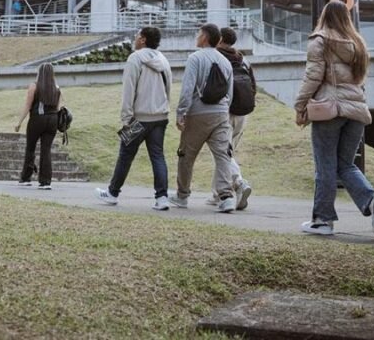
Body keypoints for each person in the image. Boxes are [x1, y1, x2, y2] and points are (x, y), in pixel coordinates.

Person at [293, 1, 374, 236]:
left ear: (324, 17)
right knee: (345, 164)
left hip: (330, 109)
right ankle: (373, 200)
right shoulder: (358, 44)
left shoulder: (320, 40)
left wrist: (300, 105)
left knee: (325, 165)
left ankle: (323, 220)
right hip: (356, 111)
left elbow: (313, 76)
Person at [94, 27, 173, 210]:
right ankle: (162, 198)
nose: (135, 39)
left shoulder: (135, 58)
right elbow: (168, 87)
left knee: (125, 155)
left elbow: (128, 90)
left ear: (143, 39)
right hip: (160, 117)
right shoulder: (163, 59)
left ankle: (113, 193)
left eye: (137, 36)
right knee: (158, 156)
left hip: (138, 118)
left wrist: (126, 118)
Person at [169, 23, 237, 212]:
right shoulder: (225, 62)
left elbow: (187, 88)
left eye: (199, 34)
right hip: (221, 114)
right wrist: (223, 110)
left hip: (198, 114)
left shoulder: (195, 58)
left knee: (186, 155)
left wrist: (181, 112)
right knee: (223, 155)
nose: (197, 36)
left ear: (205, 37)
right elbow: (229, 93)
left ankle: (182, 196)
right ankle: (226, 197)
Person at [204, 27, 255, 211]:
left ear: (218, 40)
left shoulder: (215, 57)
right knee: (225, 152)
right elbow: (253, 86)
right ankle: (218, 193)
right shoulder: (243, 59)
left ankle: (239, 183)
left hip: (223, 111)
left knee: (222, 152)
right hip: (243, 112)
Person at [15, 63, 63, 190]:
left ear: (39, 73)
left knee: (30, 148)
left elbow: (28, 106)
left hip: (37, 119)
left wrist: (19, 122)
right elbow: (58, 108)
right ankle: (45, 181)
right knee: (46, 150)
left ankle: (26, 178)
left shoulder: (34, 86)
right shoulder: (57, 88)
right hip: (53, 120)